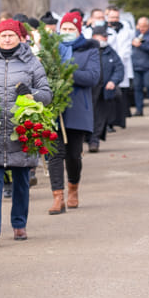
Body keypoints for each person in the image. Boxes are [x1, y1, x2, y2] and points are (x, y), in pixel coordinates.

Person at [0, 19, 51, 245]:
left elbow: (47, 95)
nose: (7, 39)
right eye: (2, 35)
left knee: (21, 180)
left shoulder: (32, 64)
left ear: (20, 37)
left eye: (11, 35)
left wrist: (33, 94)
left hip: (22, 130)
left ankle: (19, 224)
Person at [47, 12, 100, 214]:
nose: (67, 33)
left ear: (79, 31)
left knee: (73, 155)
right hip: (55, 108)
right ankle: (57, 197)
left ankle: (73, 188)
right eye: (64, 29)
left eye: (71, 29)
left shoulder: (90, 49)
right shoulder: (52, 49)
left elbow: (93, 77)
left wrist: (67, 71)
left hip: (78, 108)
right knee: (54, 153)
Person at [88, 24, 125, 153]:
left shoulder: (110, 52)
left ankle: (94, 141)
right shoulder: (87, 51)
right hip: (89, 90)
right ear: (94, 37)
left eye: (105, 37)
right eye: (102, 36)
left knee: (99, 117)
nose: (104, 39)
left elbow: (119, 69)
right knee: (88, 116)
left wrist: (113, 81)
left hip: (104, 92)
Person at [105, 6, 134, 127]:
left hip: (123, 63)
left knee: (121, 93)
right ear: (107, 17)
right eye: (112, 17)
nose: (114, 19)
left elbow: (127, 47)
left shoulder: (125, 30)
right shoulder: (104, 30)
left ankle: (120, 120)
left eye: (116, 17)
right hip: (108, 65)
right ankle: (109, 123)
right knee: (110, 94)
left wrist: (119, 60)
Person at [131, 16, 149, 116]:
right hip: (136, 65)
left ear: (148, 26)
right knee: (137, 88)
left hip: (148, 66)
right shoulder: (135, 34)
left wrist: (141, 45)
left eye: (144, 26)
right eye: (140, 26)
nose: (141, 28)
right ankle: (139, 110)